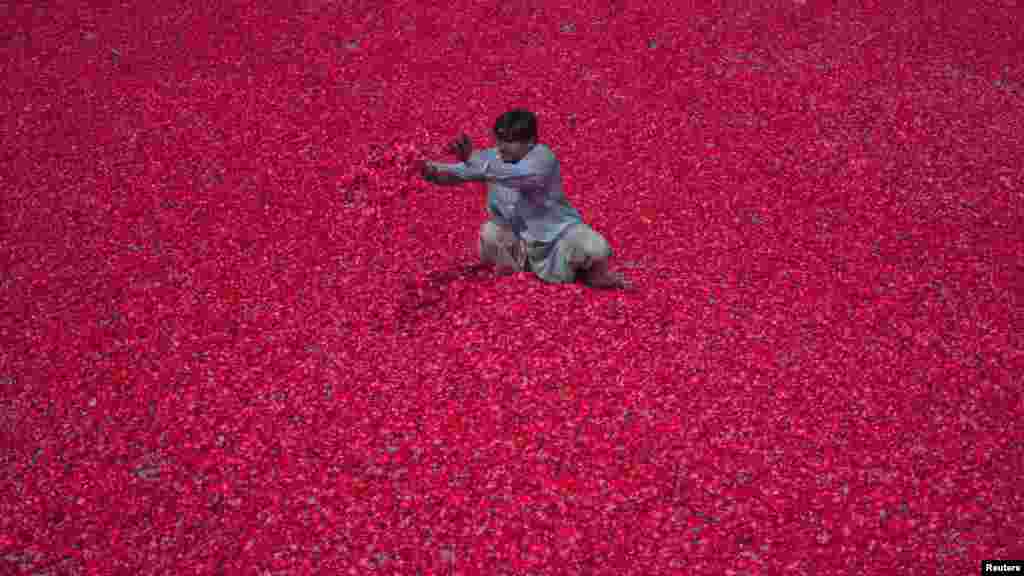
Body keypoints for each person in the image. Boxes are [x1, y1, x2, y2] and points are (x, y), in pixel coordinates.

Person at [420, 109, 629, 289]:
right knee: (490, 232)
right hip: (519, 240)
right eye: (499, 139)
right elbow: (457, 172)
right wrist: (426, 169)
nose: (501, 146)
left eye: (510, 141)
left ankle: (593, 274)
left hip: (556, 238)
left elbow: (513, 176)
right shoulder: (494, 157)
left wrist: (473, 160)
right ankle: (518, 272)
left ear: (530, 142)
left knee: (594, 246)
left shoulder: (542, 158)